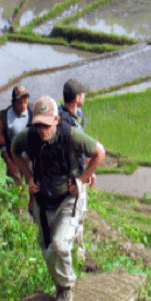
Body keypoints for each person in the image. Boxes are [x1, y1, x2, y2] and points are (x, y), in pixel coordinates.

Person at [11, 96, 105, 301]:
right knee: (47, 250)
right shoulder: (29, 137)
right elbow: (15, 151)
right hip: (44, 201)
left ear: (55, 119)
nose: (43, 130)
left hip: (68, 199)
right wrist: (29, 177)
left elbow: (99, 152)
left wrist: (82, 180)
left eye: (46, 125)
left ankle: (65, 286)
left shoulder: (69, 135)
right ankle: (60, 281)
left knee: (60, 244)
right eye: (39, 125)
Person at [60, 79, 89, 261]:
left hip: (81, 173)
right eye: (83, 93)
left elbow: (83, 145)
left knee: (81, 213)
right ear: (77, 97)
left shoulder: (79, 115)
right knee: (71, 214)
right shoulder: (64, 122)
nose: (85, 96)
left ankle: (79, 247)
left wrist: (88, 172)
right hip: (70, 177)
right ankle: (69, 252)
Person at [0, 84, 32, 184]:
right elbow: (2, 145)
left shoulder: (31, 112)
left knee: (33, 184)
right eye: (20, 102)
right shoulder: (4, 118)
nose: (23, 105)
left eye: (25, 102)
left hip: (29, 157)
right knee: (15, 188)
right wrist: (10, 164)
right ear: (14, 102)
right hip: (13, 159)